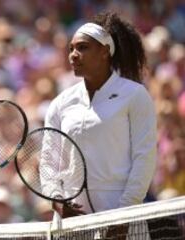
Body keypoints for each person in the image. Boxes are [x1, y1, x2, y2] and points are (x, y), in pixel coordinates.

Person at [44, 10, 157, 226]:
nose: (73, 55)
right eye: (71, 49)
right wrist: (56, 200)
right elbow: (49, 160)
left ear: (105, 51)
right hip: (71, 217)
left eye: (82, 47)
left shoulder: (135, 95)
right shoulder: (61, 103)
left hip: (121, 213)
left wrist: (124, 216)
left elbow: (145, 157)